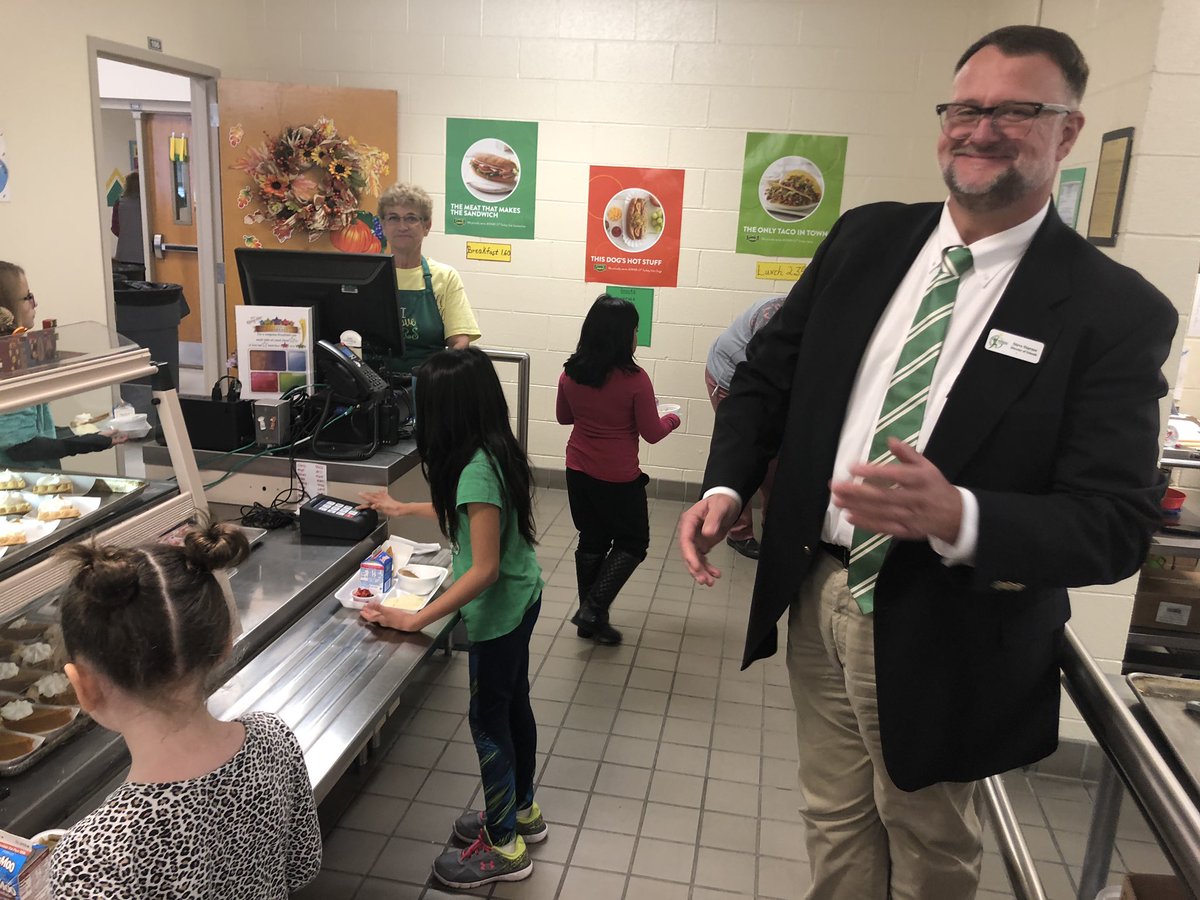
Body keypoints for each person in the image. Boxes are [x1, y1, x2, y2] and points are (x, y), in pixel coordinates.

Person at [678, 25, 1177, 900]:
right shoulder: (866, 239)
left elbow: (1116, 527)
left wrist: (961, 517)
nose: (982, 129)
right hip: (814, 588)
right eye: (966, 108)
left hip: (948, 623)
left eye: (1018, 110)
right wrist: (725, 483)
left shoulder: (1113, 310)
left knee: (929, 839)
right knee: (831, 815)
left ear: (1068, 132)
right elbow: (764, 378)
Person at [50, 521, 322, 898]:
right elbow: (302, 864)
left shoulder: (92, 858)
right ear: (225, 644)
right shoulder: (273, 738)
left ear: (84, 687)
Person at [359, 347, 545, 890]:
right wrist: (403, 509)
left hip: (498, 612)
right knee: (514, 708)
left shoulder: (474, 471)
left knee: (489, 722)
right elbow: (471, 517)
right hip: (521, 596)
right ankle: (520, 814)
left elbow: (482, 569)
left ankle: (505, 846)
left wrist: (416, 620)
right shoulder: (492, 451)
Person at [556, 294, 681, 645]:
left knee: (592, 539)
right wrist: (672, 417)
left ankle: (589, 620)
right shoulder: (635, 379)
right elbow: (652, 433)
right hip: (619, 478)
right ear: (623, 335)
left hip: (578, 470)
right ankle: (593, 608)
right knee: (633, 542)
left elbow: (564, 417)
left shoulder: (571, 371)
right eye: (635, 330)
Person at [0, 261, 127, 469]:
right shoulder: (9, 363)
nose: (35, 303)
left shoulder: (15, 353)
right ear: (6, 306)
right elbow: (20, 447)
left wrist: (91, 435)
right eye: (28, 297)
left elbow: (33, 432)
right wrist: (84, 444)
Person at [704, 295, 786, 559]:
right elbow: (768, 383)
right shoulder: (774, 319)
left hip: (760, 378)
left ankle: (774, 529)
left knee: (774, 459)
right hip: (728, 379)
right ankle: (739, 532)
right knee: (749, 453)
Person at [378, 182, 481, 374]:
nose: (402, 226)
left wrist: (440, 379)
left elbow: (460, 340)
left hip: (427, 386)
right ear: (383, 225)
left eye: (411, 218)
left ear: (427, 226)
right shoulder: (367, 275)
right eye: (393, 218)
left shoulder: (444, 277)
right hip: (371, 386)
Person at [111, 171, 145, 269]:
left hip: (124, 255)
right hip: (145, 255)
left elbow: (115, 228)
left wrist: (127, 236)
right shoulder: (147, 204)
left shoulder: (119, 203)